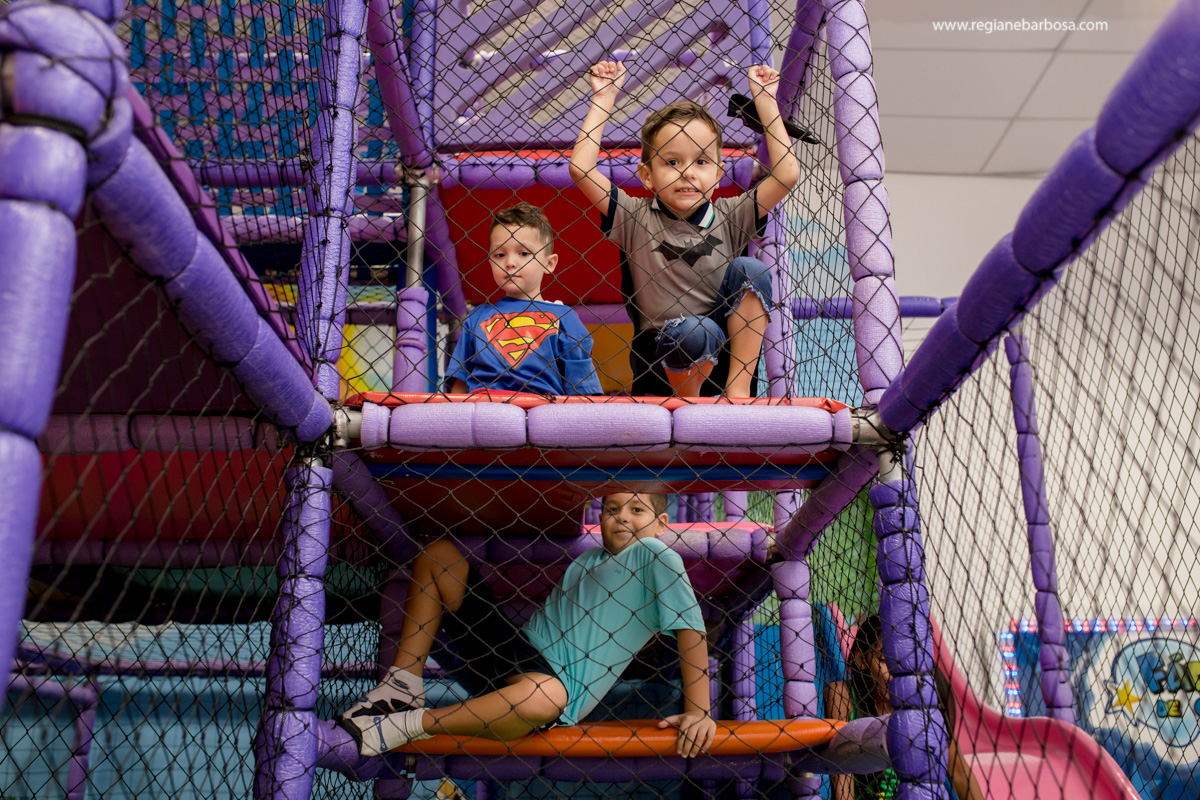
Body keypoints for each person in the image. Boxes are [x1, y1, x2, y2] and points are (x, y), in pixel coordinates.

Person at [337, 492, 716, 759]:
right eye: (611, 508)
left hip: (555, 687)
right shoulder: (587, 560)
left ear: (662, 524)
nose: (621, 517)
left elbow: (691, 628)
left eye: (637, 509)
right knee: (439, 555)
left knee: (544, 695)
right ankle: (402, 684)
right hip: (514, 650)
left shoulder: (656, 554)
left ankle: (411, 723)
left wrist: (699, 710)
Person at [568, 61, 800, 397]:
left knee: (751, 269)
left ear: (719, 173)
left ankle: (738, 393)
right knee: (692, 329)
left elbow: (786, 175)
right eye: (672, 162)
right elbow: (581, 168)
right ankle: (686, 406)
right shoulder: (634, 216)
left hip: (722, 355)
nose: (687, 172)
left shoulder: (731, 215)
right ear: (647, 175)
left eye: (701, 161)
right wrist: (603, 98)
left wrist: (765, 102)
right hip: (661, 358)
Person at [446, 202, 603, 395]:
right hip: (484, 409)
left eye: (524, 253)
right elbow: (460, 385)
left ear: (549, 263)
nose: (510, 263)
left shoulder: (565, 317)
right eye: (500, 254)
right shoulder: (477, 317)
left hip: (542, 410)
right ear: (490, 262)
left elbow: (582, 389)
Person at [830, 615, 985, 800]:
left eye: (906, 662)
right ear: (861, 659)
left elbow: (959, 772)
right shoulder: (843, 695)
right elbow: (842, 772)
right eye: (884, 660)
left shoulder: (924, 703)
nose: (898, 674)